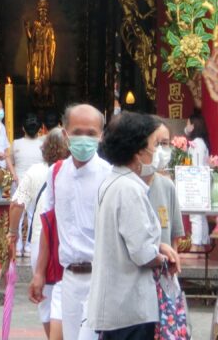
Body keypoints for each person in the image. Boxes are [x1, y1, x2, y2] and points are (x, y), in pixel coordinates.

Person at [86, 113, 180, 340]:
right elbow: (142, 253)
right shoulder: (130, 189)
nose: (155, 152)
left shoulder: (113, 182)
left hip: (116, 305)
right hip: (130, 307)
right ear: (138, 152)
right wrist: (162, 258)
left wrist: (159, 246)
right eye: (153, 146)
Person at [29, 103, 112, 340]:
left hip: (99, 280)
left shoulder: (109, 176)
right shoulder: (56, 173)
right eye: (77, 132)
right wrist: (39, 273)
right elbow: (49, 228)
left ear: (101, 136)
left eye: (91, 134)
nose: (84, 139)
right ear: (65, 133)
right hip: (67, 280)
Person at [8, 128, 69, 338]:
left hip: (38, 241)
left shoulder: (35, 171)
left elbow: (17, 204)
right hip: (68, 244)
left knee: (46, 301)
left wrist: (12, 234)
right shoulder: (72, 171)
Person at [143, 120, 185, 248]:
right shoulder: (126, 185)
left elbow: (175, 236)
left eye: (165, 143)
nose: (160, 149)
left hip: (163, 266)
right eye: (156, 144)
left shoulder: (167, 186)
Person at [10, 114, 45, 256]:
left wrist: (14, 175)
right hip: (37, 182)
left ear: (23, 128)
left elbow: (11, 163)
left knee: (17, 214)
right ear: (39, 129)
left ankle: (17, 247)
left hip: (19, 182)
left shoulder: (16, 144)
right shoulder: (43, 143)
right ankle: (30, 246)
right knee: (33, 215)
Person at [184, 112, 210, 249]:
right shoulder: (201, 142)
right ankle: (203, 244)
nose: (186, 126)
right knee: (200, 215)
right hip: (200, 181)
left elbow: (195, 165)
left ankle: (195, 245)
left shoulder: (196, 143)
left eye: (188, 123)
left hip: (196, 181)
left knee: (195, 215)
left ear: (193, 126)